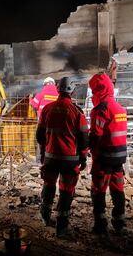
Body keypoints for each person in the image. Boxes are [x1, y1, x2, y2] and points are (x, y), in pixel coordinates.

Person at [36, 77, 89, 238]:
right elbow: (84, 138)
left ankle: (45, 215)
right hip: (69, 161)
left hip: (51, 158)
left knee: (49, 184)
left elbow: (39, 135)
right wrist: (83, 157)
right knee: (66, 191)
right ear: (72, 91)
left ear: (58, 89)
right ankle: (62, 228)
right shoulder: (77, 112)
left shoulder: (47, 109)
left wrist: (45, 152)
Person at [88, 72, 127, 235]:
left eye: (93, 90)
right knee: (118, 190)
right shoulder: (120, 108)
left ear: (99, 90)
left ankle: (100, 224)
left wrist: (88, 149)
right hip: (119, 158)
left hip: (103, 158)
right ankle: (120, 223)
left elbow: (96, 134)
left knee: (98, 191)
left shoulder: (101, 109)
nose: (92, 93)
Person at [30, 77, 59, 162]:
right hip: (56, 124)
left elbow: (34, 105)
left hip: (43, 123)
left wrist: (31, 98)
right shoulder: (58, 95)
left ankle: (40, 160)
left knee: (41, 141)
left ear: (45, 84)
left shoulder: (42, 94)